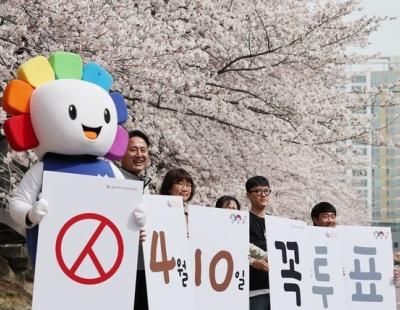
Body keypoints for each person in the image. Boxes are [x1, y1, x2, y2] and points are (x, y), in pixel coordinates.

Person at [119, 130, 151, 310]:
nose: (139, 155)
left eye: (143, 150)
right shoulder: (115, 180)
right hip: (123, 267)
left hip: (145, 266)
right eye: (133, 150)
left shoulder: (144, 184)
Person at [215, 195, 267, 265]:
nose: (232, 211)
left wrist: (267, 256)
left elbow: (247, 246)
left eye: (234, 209)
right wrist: (252, 261)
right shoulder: (214, 227)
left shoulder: (237, 229)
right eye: (228, 207)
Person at [246, 176, 271, 310]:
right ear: (248, 195)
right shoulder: (243, 221)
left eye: (266, 191)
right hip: (255, 288)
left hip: (279, 288)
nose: (263, 195)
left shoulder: (276, 222)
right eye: (258, 191)